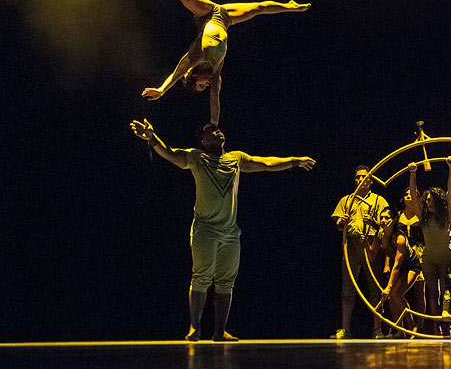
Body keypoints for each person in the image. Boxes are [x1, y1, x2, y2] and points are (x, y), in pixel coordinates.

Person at [130, 118, 315, 341]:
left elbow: (266, 163)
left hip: (230, 231)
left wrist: (295, 161)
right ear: (203, 141)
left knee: (226, 282)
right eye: (210, 131)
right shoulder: (197, 157)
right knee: (201, 277)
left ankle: (219, 331)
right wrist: (152, 138)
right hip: (205, 229)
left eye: (218, 130)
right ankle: (195, 327)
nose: (217, 132)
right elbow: (171, 154)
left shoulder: (236, 158)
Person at [133, 0, 310, 127]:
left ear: (193, 76)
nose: (207, 84)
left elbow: (176, 74)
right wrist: (213, 124)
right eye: (204, 87)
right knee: (259, 8)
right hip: (225, 19)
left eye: (201, 85)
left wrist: (162, 90)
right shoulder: (217, 69)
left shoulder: (195, 56)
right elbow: (214, 98)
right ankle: (290, 6)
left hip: (207, 14)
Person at [331, 166, 389, 339]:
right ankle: (345, 329)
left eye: (365, 177)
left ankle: (377, 328)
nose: (361, 180)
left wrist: (374, 222)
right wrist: (342, 222)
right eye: (358, 177)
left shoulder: (378, 200)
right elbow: (337, 223)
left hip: (371, 244)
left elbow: (387, 223)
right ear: (355, 180)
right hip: (351, 245)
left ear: (370, 180)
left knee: (375, 289)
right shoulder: (347, 200)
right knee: (348, 289)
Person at [414, 156, 451, 335]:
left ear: (439, 201)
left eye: (433, 200)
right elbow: (414, 195)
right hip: (429, 258)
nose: (429, 203)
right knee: (432, 293)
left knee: (446, 293)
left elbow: (450, 191)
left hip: (446, 257)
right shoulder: (423, 219)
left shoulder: (447, 217)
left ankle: (447, 326)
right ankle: (436, 328)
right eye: (427, 200)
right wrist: (412, 174)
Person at [377, 206, 423, 336]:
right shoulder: (380, 235)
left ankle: (412, 325)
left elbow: (397, 265)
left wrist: (388, 286)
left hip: (410, 266)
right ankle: (399, 329)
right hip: (397, 266)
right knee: (391, 297)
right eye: (382, 217)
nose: (383, 220)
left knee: (396, 294)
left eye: (387, 218)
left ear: (394, 220)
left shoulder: (400, 238)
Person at [398, 162, 426, 330]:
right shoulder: (398, 215)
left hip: (419, 253)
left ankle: (419, 326)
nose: (410, 196)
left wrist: (412, 174)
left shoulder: (421, 215)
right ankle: (405, 324)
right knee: (399, 290)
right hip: (402, 253)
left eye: (413, 194)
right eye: (407, 194)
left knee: (419, 291)